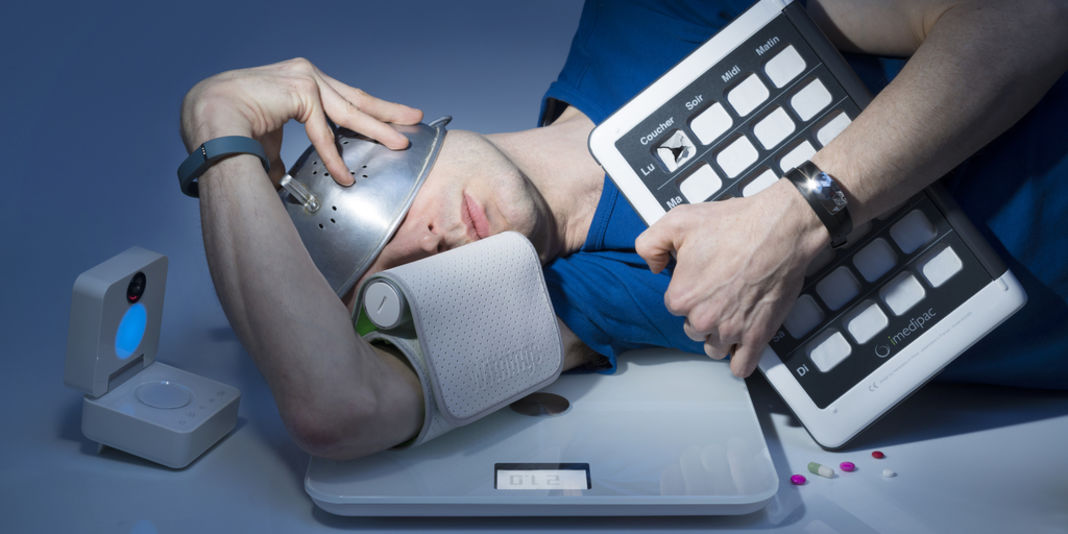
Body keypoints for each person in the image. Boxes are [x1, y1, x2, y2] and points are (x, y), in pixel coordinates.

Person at [179, 0, 1067, 460]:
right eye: (388, 275)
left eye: (381, 219)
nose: (429, 247)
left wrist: (805, 212)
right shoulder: (573, 296)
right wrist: (217, 129)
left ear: (387, 135)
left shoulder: (646, 15)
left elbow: (1027, 14)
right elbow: (338, 411)